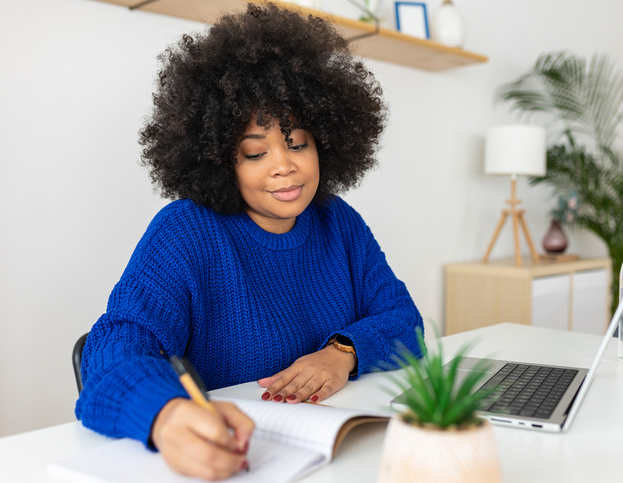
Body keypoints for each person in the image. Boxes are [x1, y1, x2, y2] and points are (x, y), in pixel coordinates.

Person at [75, 2, 423, 480]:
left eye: (297, 143)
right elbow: (113, 348)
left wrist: (343, 352)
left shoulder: (338, 221)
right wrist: (166, 414)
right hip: (234, 459)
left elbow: (405, 320)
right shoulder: (186, 231)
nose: (285, 165)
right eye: (255, 152)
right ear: (219, 160)